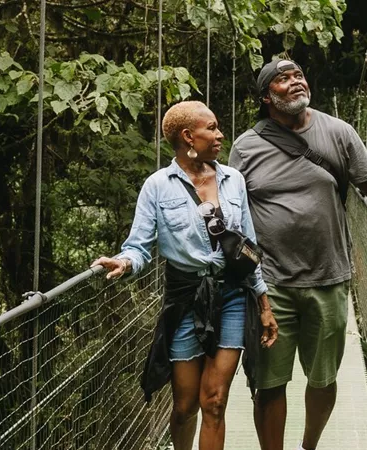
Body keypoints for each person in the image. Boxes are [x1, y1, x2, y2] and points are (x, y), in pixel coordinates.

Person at [231, 59, 367, 450]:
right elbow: (231, 208)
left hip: (330, 278)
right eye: (283, 80)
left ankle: (309, 447)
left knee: (323, 379)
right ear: (267, 96)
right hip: (269, 285)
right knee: (269, 383)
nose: (295, 83)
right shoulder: (246, 146)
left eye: (299, 76)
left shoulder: (339, 132)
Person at [93, 100, 278, 450]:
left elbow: (248, 249)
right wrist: (126, 262)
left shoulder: (233, 180)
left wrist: (264, 303)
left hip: (233, 296)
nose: (221, 134)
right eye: (212, 127)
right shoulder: (158, 186)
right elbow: (139, 245)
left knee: (215, 401)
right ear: (188, 136)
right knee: (185, 405)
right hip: (186, 299)